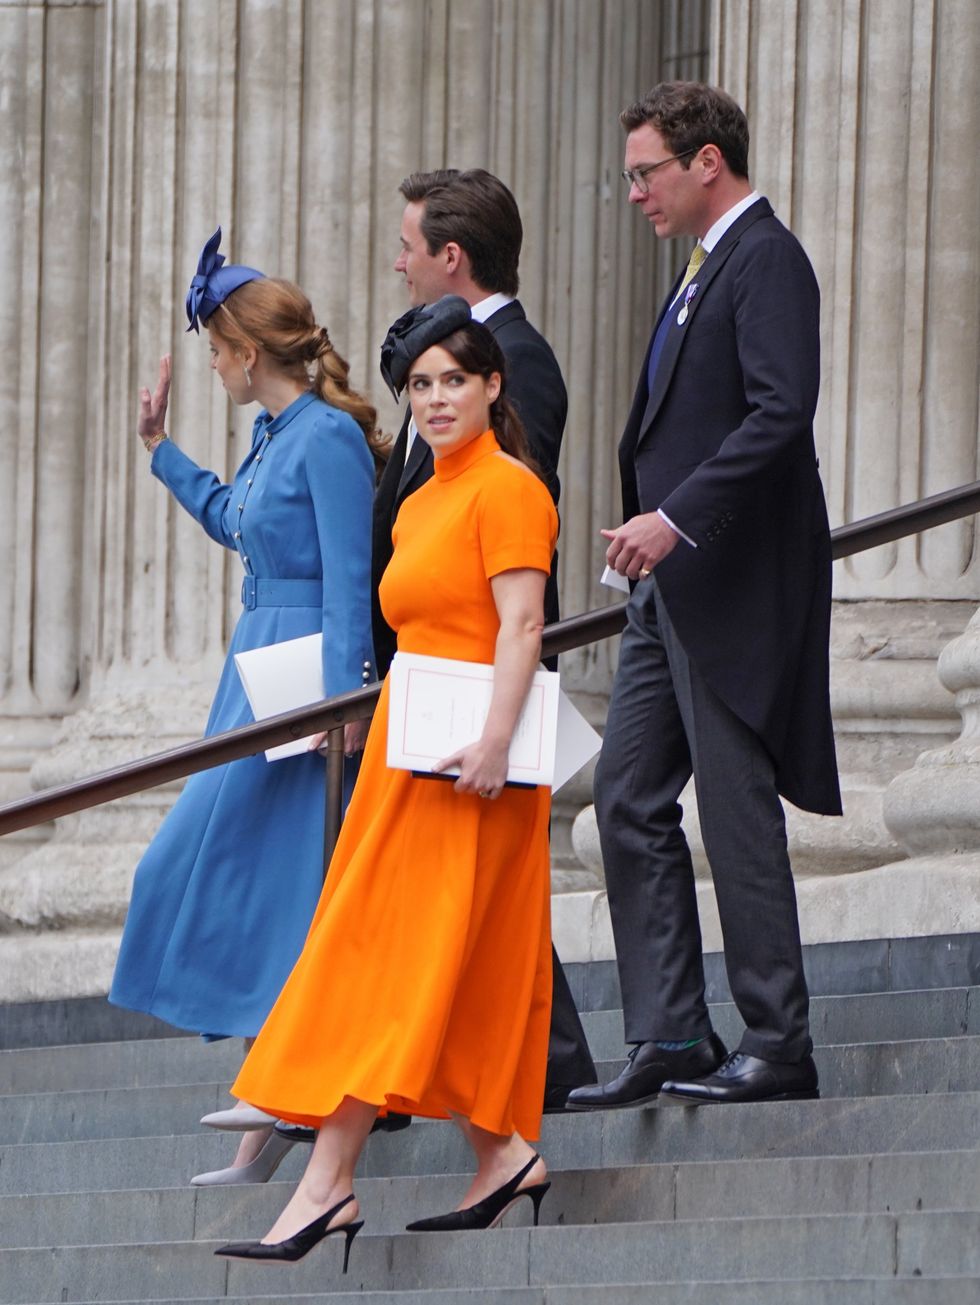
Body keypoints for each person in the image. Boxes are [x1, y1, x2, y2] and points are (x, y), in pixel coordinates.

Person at [215, 297, 557, 1270]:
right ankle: (502, 1157)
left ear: (493, 384)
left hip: (471, 771)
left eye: (455, 379)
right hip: (408, 764)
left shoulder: (510, 490)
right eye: (420, 385)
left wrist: (492, 743)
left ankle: (324, 1187)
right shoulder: (414, 501)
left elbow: (521, 628)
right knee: (408, 965)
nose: (437, 398)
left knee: (388, 966)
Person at [567, 82, 841, 1113]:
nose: (633, 190)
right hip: (662, 590)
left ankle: (777, 1041)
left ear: (705, 162)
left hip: (724, 582)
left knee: (733, 812)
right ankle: (672, 1032)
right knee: (626, 797)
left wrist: (672, 517)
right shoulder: (699, 267)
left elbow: (780, 413)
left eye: (644, 172)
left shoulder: (764, 258)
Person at [109, 229, 382, 1182]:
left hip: (307, 681)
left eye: (217, 353)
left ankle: (280, 1103)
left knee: (278, 887)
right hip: (253, 670)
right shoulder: (272, 436)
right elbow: (237, 520)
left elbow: (352, 574)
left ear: (248, 353)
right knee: (229, 875)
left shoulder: (332, 437)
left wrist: (347, 697)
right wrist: (161, 450)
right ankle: (270, 1119)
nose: (216, 369)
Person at [378, 167, 596, 1108]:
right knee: (457, 899)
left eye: (408, 245)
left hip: (477, 684)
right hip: (431, 673)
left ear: (450, 256)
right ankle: (503, 1066)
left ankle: (529, 1063)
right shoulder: (454, 357)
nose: (398, 261)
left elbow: (515, 525)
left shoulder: (518, 359)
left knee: (480, 896)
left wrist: (496, 719)